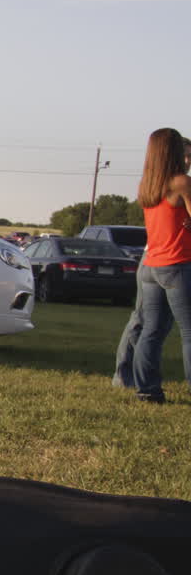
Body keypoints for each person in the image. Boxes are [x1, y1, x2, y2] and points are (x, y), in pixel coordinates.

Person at [113, 137, 191, 389]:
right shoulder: (182, 182)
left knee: (151, 330)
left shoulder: (147, 185)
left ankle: (146, 389)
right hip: (178, 263)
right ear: (173, 151)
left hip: (152, 264)